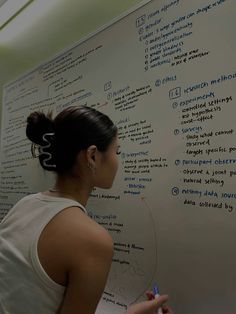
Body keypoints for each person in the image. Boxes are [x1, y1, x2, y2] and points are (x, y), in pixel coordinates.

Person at [0, 105, 172, 314]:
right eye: (116, 151)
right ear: (92, 156)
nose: (118, 161)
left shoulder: (25, 204)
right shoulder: (91, 239)